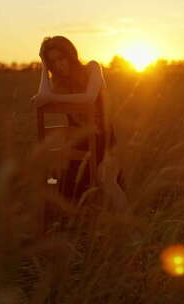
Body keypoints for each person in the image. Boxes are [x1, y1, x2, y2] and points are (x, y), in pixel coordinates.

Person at [31, 36, 127, 210]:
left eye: (61, 58)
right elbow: (41, 98)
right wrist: (44, 66)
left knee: (105, 178)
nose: (58, 65)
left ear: (71, 55)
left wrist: (52, 97)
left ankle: (131, 230)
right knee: (58, 182)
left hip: (105, 145)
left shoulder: (92, 68)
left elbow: (89, 98)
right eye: (53, 62)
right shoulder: (59, 85)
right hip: (78, 149)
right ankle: (77, 227)